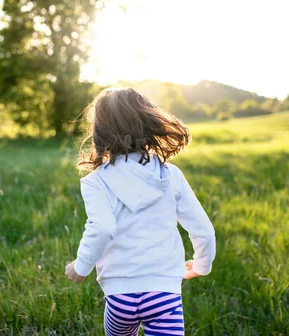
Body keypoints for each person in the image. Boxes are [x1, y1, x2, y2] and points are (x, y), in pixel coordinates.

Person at [65, 88, 216, 336]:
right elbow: (203, 230)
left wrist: (81, 267)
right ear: (148, 123)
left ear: (99, 132)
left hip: (118, 296)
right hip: (163, 294)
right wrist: (201, 265)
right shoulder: (170, 175)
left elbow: (101, 228)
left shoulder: (96, 181)